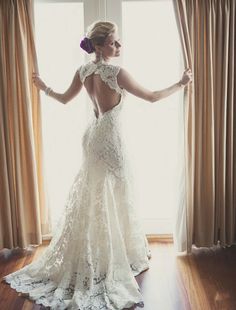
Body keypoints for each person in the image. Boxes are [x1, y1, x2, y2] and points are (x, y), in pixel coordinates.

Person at [2, 21, 192, 309]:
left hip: (92, 137)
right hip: (109, 139)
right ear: (101, 46)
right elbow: (152, 97)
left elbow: (65, 99)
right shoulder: (116, 73)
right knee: (114, 193)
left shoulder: (84, 71)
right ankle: (113, 254)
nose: (119, 46)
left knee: (94, 194)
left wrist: (44, 87)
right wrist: (181, 83)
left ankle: (100, 250)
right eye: (115, 42)